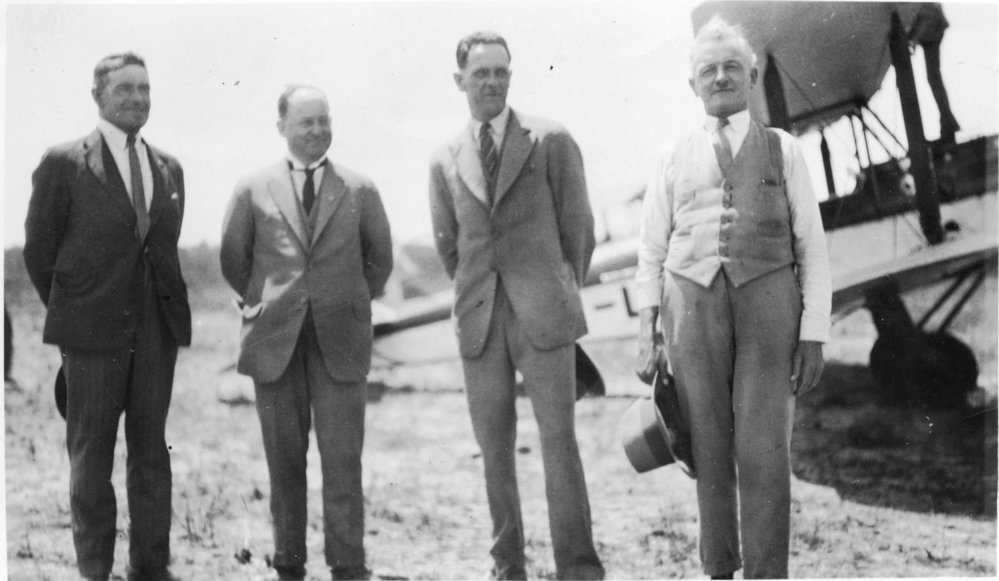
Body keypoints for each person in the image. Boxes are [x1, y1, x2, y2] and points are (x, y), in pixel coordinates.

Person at [634, 16, 831, 579]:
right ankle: (719, 568)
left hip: (770, 307)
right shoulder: (672, 155)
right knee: (707, 449)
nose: (720, 77)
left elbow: (812, 248)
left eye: (730, 67)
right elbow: (651, 250)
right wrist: (647, 331)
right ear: (692, 85)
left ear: (752, 74)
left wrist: (813, 333)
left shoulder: (785, 150)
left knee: (765, 448)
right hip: (690, 307)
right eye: (707, 70)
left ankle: (767, 573)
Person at [429, 31, 604, 581]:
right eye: (480, 74)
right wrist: (482, 291)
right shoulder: (443, 158)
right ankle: (508, 567)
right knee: (495, 451)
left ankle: (577, 568)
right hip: (480, 323)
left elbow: (580, 231)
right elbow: (447, 244)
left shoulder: (550, 140)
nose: (492, 83)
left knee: (559, 442)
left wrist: (553, 288)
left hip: (545, 318)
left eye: (501, 72)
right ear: (459, 81)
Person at [23, 52, 191, 581]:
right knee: (91, 460)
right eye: (125, 89)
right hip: (91, 335)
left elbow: (161, 248)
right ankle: (94, 569)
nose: (138, 98)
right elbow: (39, 252)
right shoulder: (65, 162)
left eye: (144, 88)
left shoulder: (168, 167)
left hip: (155, 334)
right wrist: (76, 312)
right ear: (98, 96)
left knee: (151, 455)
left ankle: (150, 567)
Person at [220, 84, 393, 581]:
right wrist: (273, 304)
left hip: (341, 341)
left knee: (343, 461)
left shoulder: (360, 189)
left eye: (324, 120)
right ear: (282, 128)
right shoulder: (252, 188)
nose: (317, 130)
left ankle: (347, 563)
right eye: (305, 122)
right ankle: (288, 562)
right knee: (284, 462)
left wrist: (341, 299)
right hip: (275, 343)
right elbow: (235, 261)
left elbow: (378, 263)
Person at [907, 2, 961, 144]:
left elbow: (926, 14)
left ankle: (948, 124)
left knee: (933, 78)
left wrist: (913, 40)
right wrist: (913, 39)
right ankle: (948, 124)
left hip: (931, 28)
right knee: (933, 78)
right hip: (930, 29)